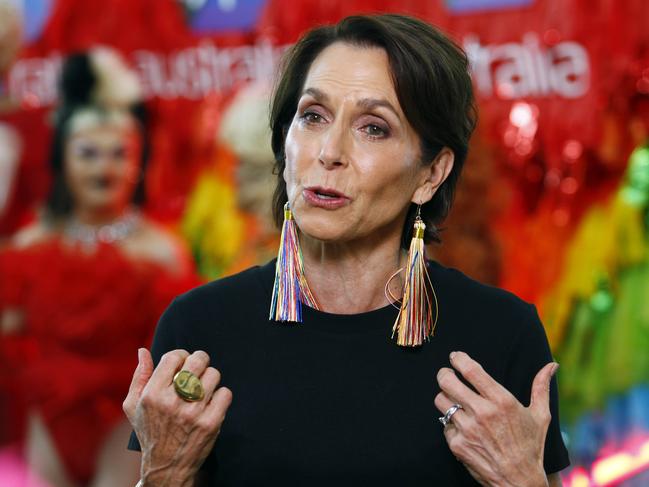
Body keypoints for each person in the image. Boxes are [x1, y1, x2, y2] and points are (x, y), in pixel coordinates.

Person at [124, 14, 570, 486]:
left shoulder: (500, 334)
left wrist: (524, 480)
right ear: (283, 140)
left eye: (373, 127)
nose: (329, 152)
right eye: (313, 116)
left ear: (431, 174)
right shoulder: (200, 328)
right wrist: (162, 472)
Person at [0, 48, 197, 486]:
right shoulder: (31, 246)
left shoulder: (162, 252)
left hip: (122, 420)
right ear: (64, 160)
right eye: (88, 153)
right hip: (48, 418)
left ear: (137, 162)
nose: (103, 167)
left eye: (118, 154)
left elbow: (177, 355)